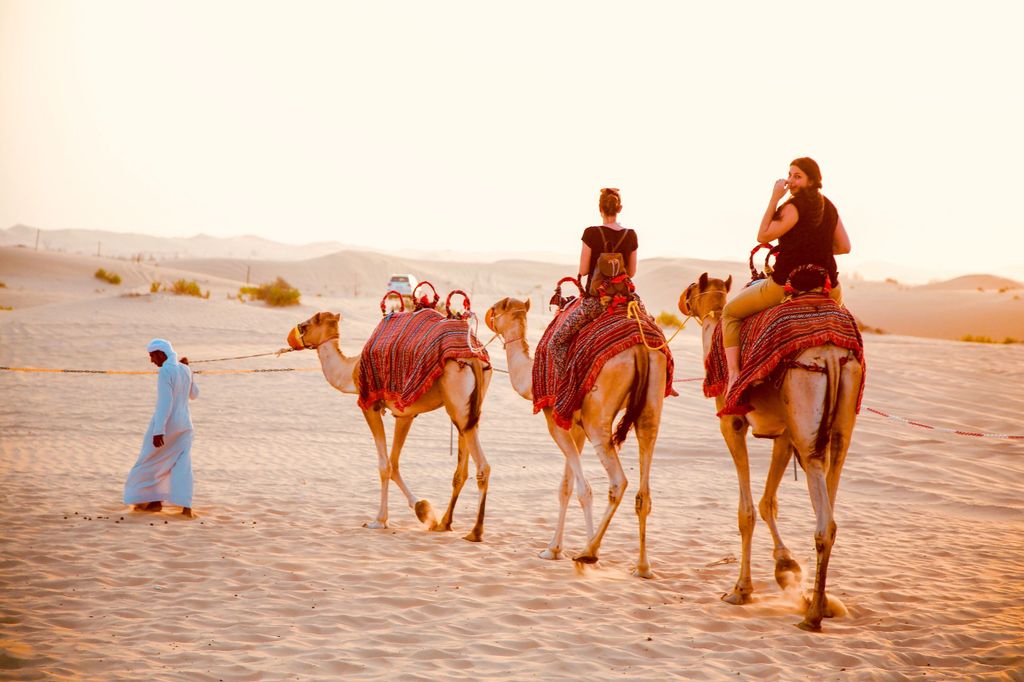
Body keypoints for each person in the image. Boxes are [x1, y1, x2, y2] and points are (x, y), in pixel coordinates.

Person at [720, 157, 851, 391]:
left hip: (787, 285)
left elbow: (763, 236)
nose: (790, 181)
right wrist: (814, 248)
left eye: (797, 176)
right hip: (828, 287)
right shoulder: (829, 206)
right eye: (789, 175)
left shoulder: (791, 206)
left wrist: (774, 198)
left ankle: (733, 375)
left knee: (729, 313)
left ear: (811, 180)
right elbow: (844, 247)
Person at [549, 187, 639, 370]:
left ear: (600, 209)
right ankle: (667, 383)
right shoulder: (630, 235)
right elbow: (631, 272)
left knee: (556, 342)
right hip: (626, 301)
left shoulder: (591, 233)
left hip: (596, 303)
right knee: (654, 331)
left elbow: (582, 270)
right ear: (619, 208)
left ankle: (568, 385)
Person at [123, 338, 200, 518]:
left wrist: (159, 431)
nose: (151, 361)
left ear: (161, 353)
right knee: (182, 464)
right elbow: (195, 395)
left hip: (167, 425)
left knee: (147, 463)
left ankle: (152, 500)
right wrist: (190, 372)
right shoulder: (184, 369)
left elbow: (165, 402)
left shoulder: (166, 371)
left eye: (152, 356)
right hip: (185, 426)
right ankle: (185, 507)